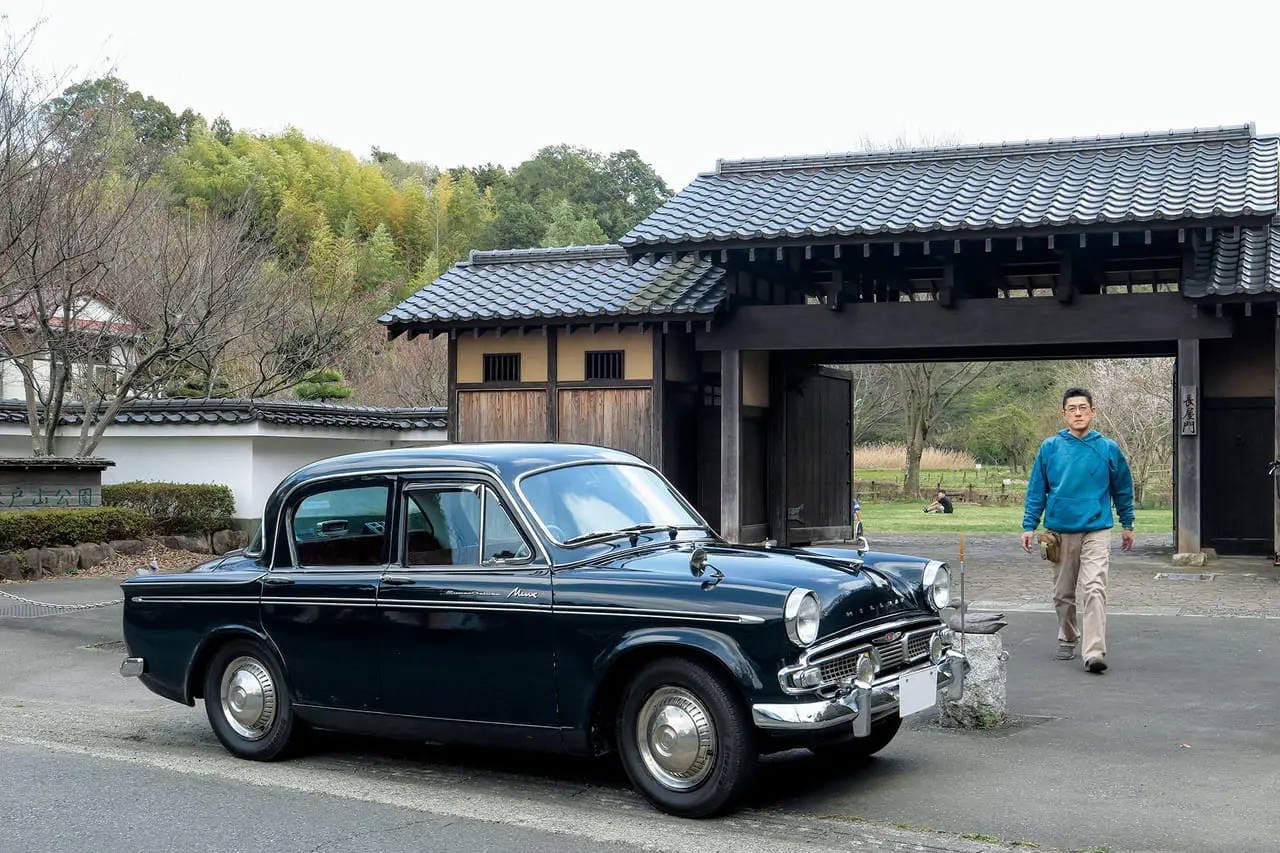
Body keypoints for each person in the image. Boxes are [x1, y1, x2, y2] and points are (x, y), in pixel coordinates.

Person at [1021, 387, 1135, 675]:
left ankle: (1094, 652)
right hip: (1060, 529)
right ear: (1064, 414)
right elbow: (1037, 490)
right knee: (1062, 593)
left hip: (1097, 528)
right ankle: (1069, 635)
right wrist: (1029, 526)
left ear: (1093, 411)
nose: (1078, 413)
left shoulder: (1108, 448)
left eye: (1083, 407)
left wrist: (1127, 522)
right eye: (1072, 408)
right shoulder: (1050, 447)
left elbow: (1122, 488)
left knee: (1095, 588)